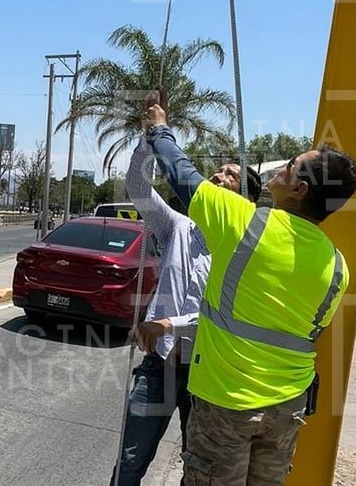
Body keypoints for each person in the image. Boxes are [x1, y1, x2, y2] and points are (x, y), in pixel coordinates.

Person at [144, 104, 356, 486]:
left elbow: (181, 173)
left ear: (299, 189)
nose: (279, 169)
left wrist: (159, 129)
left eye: (290, 166)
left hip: (227, 402)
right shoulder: (338, 266)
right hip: (287, 409)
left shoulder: (243, 219)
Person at [112, 134, 261, 486]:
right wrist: (149, 138)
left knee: (198, 470)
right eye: (218, 171)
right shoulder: (179, 227)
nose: (218, 176)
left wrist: (168, 324)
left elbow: (222, 316)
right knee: (130, 461)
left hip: (207, 377)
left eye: (230, 175)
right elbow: (137, 188)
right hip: (157, 369)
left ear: (248, 200)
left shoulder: (247, 251)